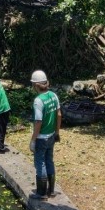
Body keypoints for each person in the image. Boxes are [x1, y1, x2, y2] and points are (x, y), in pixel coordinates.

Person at [29, 70, 61, 200]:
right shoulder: (53, 95)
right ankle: (51, 191)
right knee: (49, 161)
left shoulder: (38, 101)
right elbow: (59, 114)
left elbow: (38, 121)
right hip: (52, 135)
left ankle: (41, 193)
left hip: (42, 138)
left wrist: (33, 139)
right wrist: (57, 132)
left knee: (40, 163)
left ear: (36, 85)